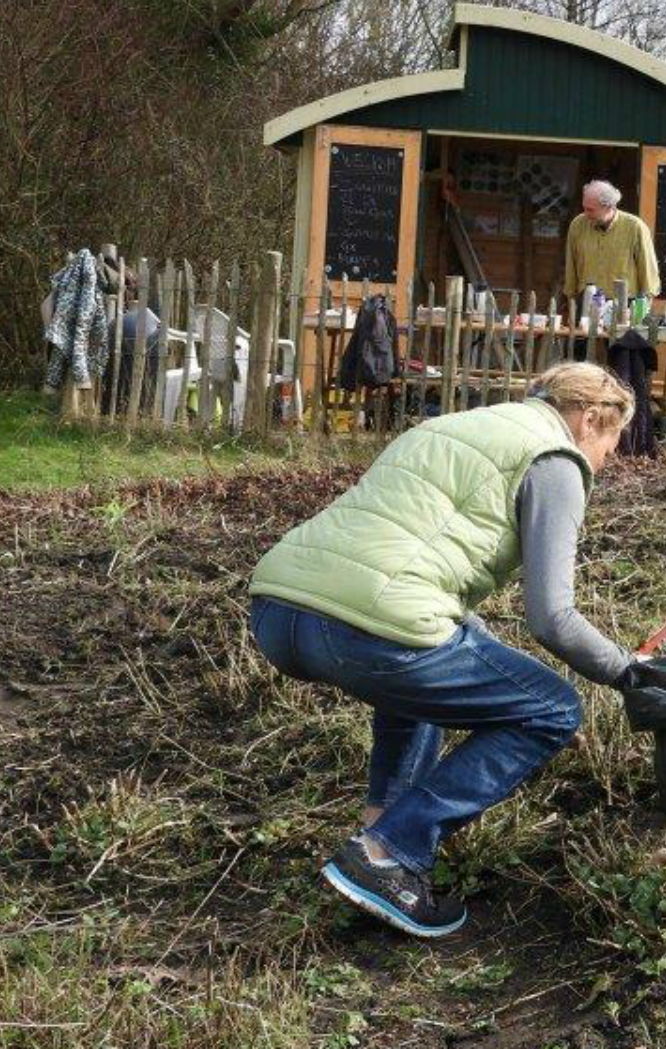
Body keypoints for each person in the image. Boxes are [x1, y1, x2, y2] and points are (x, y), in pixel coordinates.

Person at [247, 363, 639, 938]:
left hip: (278, 610)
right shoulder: (556, 461)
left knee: (423, 670)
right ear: (588, 420)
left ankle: (376, 839)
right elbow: (553, 618)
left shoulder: (446, 428)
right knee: (552, 709)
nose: (610, 459)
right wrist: (630, 673)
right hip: (370, 625)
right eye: (613, 442)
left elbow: (406, 569)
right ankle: (392, 852)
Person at [562, 180, 660, 316]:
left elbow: (649, 275)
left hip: (624, 306)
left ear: (608, 207)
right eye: (584, 208)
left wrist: (638, 313)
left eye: (590, 210)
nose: (586, 213)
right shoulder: (578, 225)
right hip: (587, 302)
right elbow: (571, 267)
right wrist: (571, 301)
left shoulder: (635, 227)